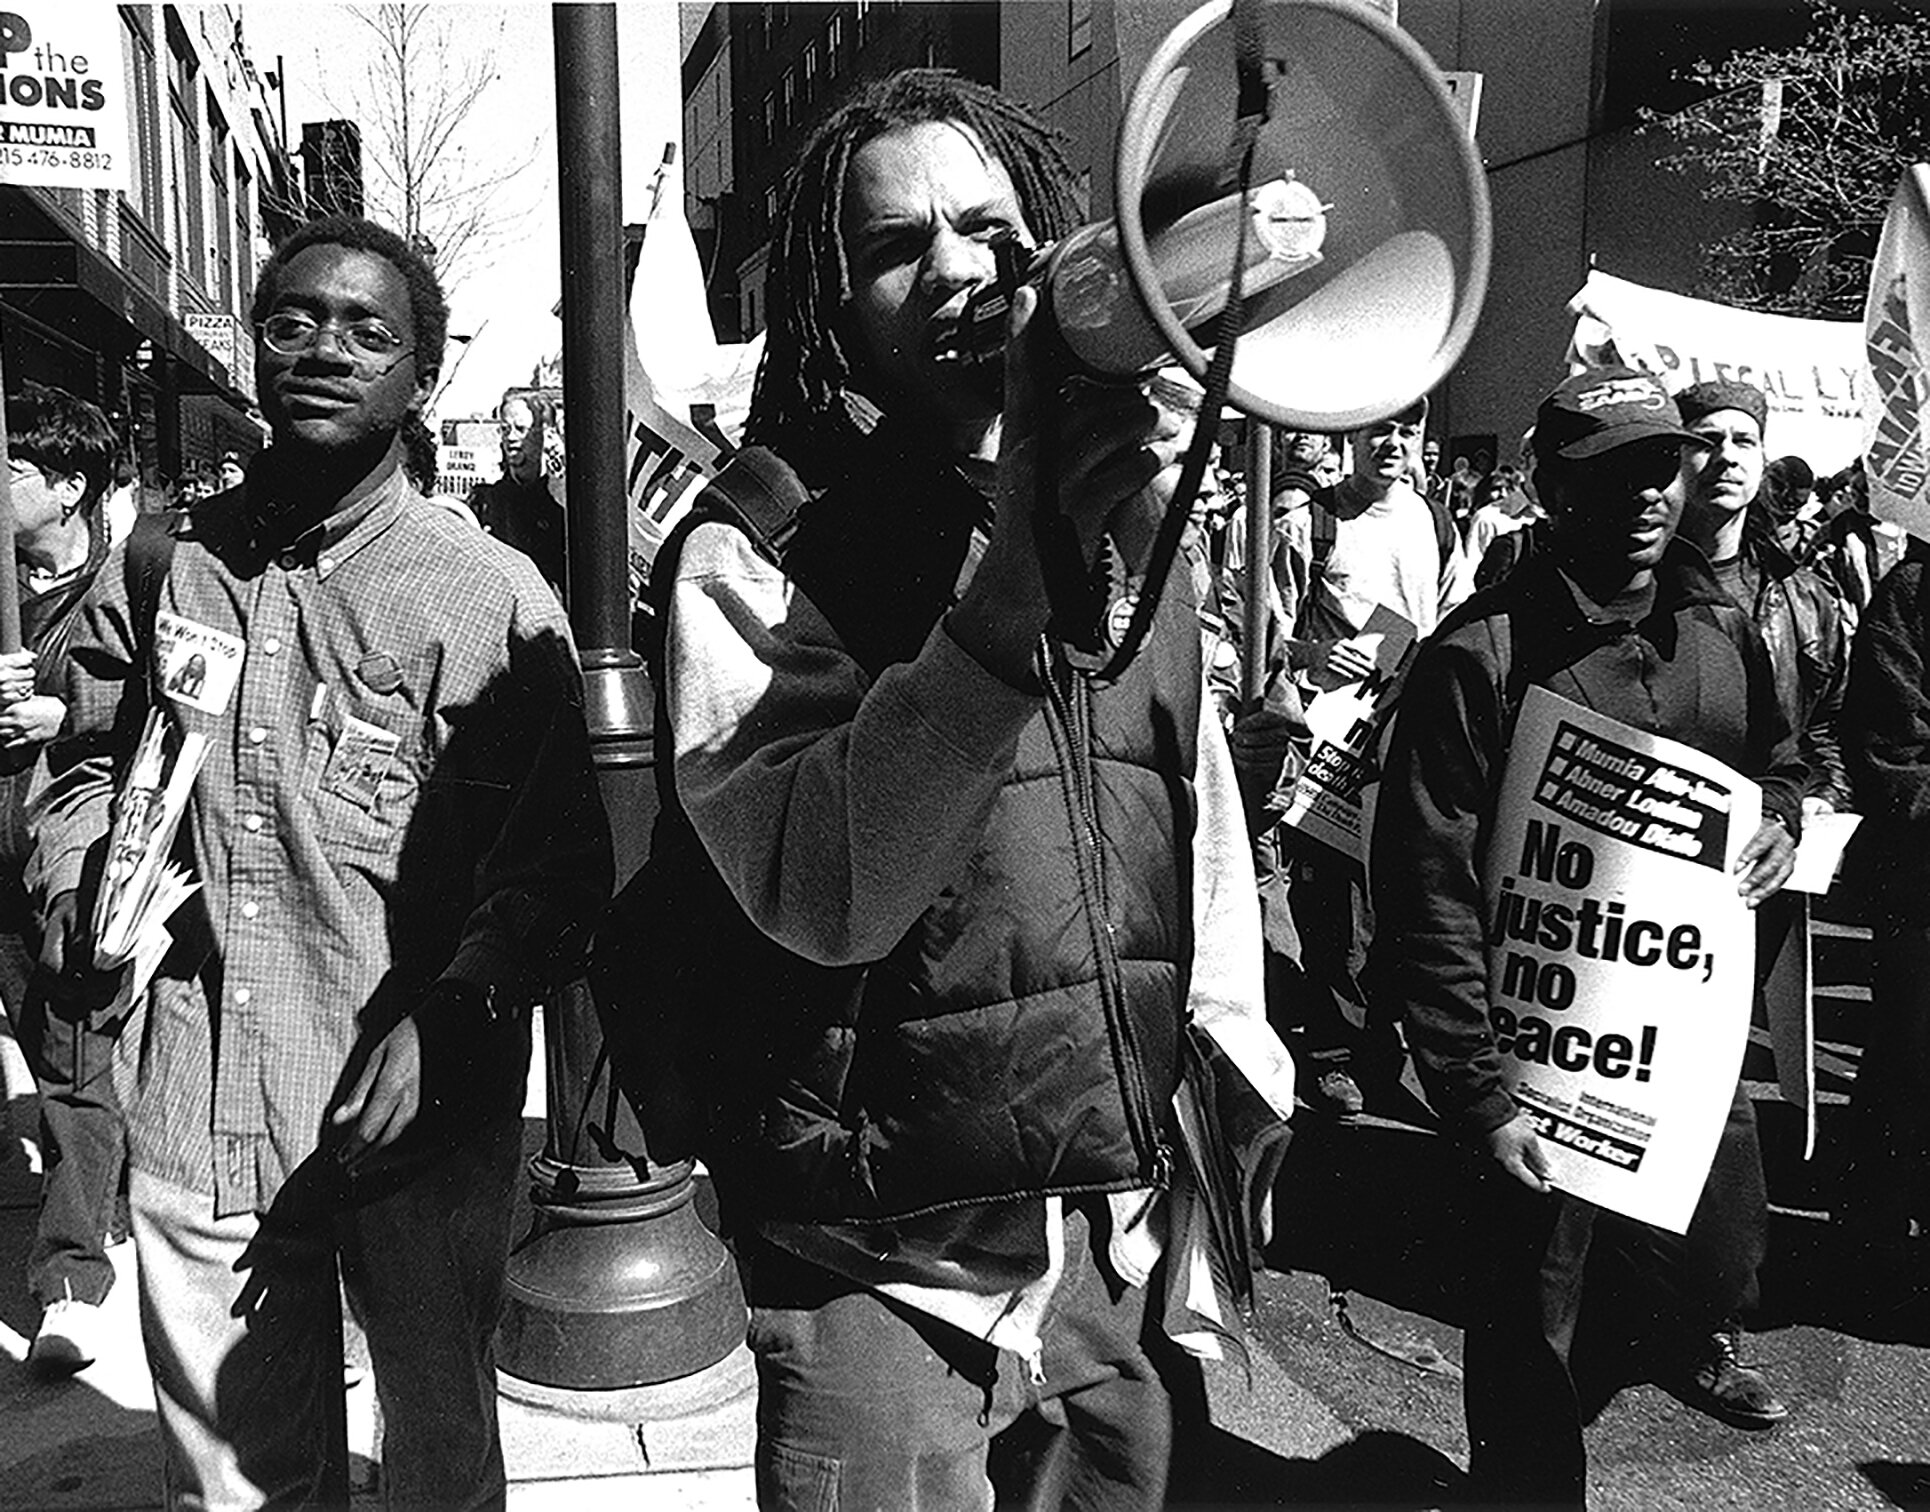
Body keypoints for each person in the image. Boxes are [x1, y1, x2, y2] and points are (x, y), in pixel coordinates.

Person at [648, 70, 1293, 1508]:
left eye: (987, 226)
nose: (956, 267)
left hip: (1101, 1231)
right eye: (893, 247)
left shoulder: (1133, 507)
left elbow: (1190, 829)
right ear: (831, 300)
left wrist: (1233, 1072)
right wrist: (1007, 590)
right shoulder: (754, 548)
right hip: (883, 1267)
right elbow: (822, 888)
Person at [32, 215, 611, 1507]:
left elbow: (560, 857)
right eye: (293, 321)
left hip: (410, 1120)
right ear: (252, 353)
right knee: (236, 1484)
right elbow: (82, 764)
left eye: (368, 330)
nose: (325, 350)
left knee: (439, 1458)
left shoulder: (491, 599)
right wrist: (80, 890)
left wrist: (459, 1004)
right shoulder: (166, 566)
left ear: (424, 375)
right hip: (200, 1097)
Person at [1372, 366, 1803, 1509]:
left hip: (1687, 1044)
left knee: (1717, 1266)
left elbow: (1781, 767)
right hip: (1536, 1064)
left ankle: (1641, 1356)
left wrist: (1780, 827)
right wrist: (1477, 1091)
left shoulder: (1720, 623)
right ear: (1549, 490)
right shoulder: (1481, 656)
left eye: (1659, 463)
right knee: (1528, 1316)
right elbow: (1425, 883)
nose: (1649, 491)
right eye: (1612, 472)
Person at [1273, 398, 1464, 1117]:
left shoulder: (1436, 524)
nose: (1394, 442)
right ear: (1348, 434)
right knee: (1334, 908)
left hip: (1408, 739)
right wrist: (1314, 656)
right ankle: (1330, 1051)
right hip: (1331, 748)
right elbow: (1255, 627)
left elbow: (1457, 628)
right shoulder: (1309, 523)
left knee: (1402, 900)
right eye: (1380, 427)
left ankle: (1380, 1043)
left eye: (1408, 428)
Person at [0, 383, 123, 1376]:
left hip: (77, 855)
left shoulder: (131, 585)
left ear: (69, 486)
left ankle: (71, 1280)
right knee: (50, 1063)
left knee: (76, 1057)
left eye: (13, 468)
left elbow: (182, 709)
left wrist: (63, 714)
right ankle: (100, 1201)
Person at [469, 391, 567, 600]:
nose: (511, 437)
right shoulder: (486, 502)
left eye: (521, 429)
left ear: (547, 435)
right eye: (505, 429)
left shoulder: (562, 503)